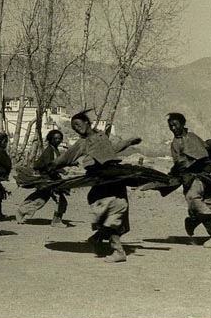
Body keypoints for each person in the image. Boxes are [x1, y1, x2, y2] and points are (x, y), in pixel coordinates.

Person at [49, 110, 143, 263]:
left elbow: (113, 150)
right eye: (74, 127)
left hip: (113, 176)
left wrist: (129, 142)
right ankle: (103, 239)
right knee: (105, 208)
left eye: (78, 125)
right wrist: (51, 165)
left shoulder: (101, 137)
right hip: (102, 179)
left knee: (110, 210)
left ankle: (114, 248)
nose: (77, 128)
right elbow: (67, 157)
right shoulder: (83, 143)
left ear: (87, 123)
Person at [166, 112, 211, 248]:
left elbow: (205, 151)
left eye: (175, 124)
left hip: (207, 176)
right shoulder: (175, 143)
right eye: (170, 126)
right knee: (195, 202)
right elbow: (180, 162)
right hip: (192, 179)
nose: (173, 128)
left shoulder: (193, 137)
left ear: (182, 124)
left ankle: (193, 221)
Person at [16, 130, 71, 228]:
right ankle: (56, 221)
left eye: (59, 138)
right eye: (55, 138)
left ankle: (22, 211)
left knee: (39, 199)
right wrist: (61, 171)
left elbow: (55, 164)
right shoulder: (49, 151)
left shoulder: (54, 150)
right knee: (59, 199)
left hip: (50, 178)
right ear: (50, 139)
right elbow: (49, 166)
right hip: (48, 179)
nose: (58, 140)